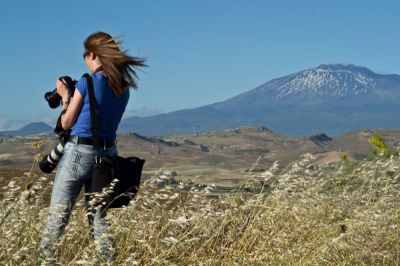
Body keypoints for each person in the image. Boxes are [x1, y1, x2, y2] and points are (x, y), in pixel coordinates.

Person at [39, 31, 146, 263]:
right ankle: (110, 261)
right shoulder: (123, 88)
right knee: (99, 220)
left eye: (85, 55)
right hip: (107, 157)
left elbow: (67, 123)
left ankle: (45, 261)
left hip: (78, 154)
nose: (84, 60)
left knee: (58, 218)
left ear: (93, 54)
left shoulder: (87, 82)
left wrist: (66, 96)